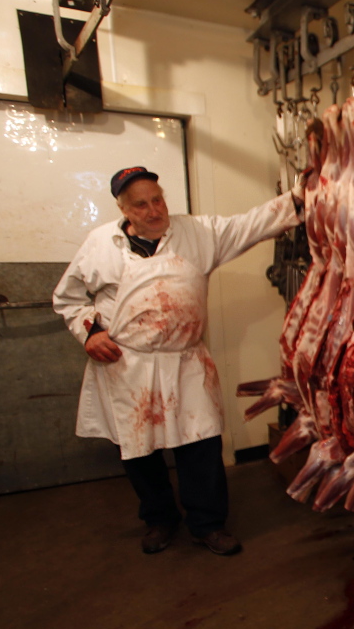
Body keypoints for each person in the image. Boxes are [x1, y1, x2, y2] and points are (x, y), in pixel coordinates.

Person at [53, 166, 306, 556]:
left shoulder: (197, 233)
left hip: (185, 360)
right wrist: (90, 331)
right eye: (141, 204)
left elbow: (251, 224)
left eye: (158, 199)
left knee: (201, 446)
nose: (154, 210)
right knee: (140, 451)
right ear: (123, 208)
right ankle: (159, 519)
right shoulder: (100, 243)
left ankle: (208, 524)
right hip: (127, 363)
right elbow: (68, 298)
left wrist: (299, 197)